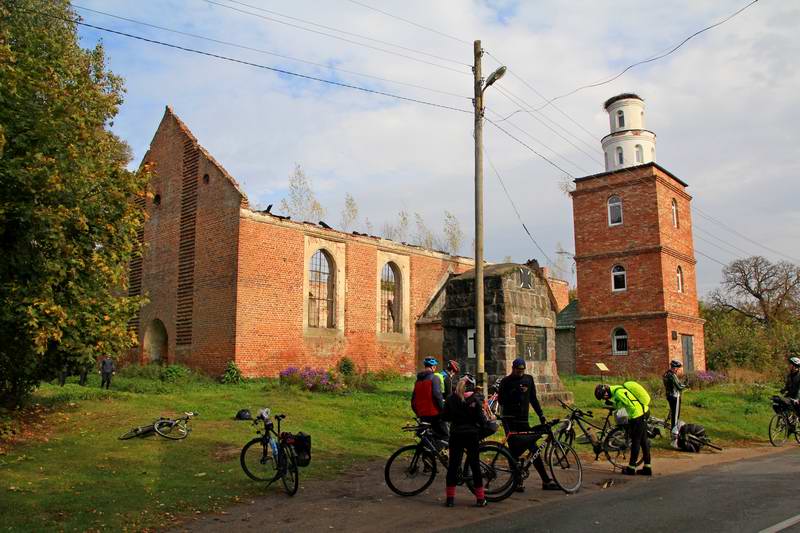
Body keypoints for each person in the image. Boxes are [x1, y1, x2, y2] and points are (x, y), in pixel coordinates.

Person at [498, 357, 559, 491]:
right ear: (513, 369)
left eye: (522, 370)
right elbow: (501, 400)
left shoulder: (528, 379)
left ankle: (546, 480)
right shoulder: (506, 381)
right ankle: (517, 482)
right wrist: (515, 392)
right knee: (513, 451)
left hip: (523, 420)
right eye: (517, 370)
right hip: (510, 420)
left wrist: (541, 415)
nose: (520, 372)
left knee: (533, 448)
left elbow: (533, 398)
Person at [441, 374, 487, 507]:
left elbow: (444, 417)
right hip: (472, 436)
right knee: (475, 466)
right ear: (472, 386)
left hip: (456, 435)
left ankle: (450, 499)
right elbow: (482, 420)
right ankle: (480, 498)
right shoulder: (474, 400)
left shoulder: (451, 399)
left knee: (453, 466)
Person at [595, 382, 652, 476]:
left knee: (636, 441)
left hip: (638, 415)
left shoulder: (618, 393)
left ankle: (631, 468)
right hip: (643, 412)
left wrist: (628, 421)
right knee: (643, 441)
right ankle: (647, 468)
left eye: (603, 397)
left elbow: (630, 405)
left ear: (605, 393)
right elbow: (622, 406)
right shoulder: (617, 391)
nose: (604, 399)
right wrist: (615, 406)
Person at [411, 357, 447, 442]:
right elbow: (437, 395)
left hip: (422, 414)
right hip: (434, 413)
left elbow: (413, 400)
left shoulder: (417, 381)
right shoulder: (435, 378)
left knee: (428, 436)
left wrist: (418, 413)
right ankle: (435, 454)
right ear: (433, 367)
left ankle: (428, 452)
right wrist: (443, 411)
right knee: (445, 435)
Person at [663, 360, 687, 431]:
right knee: (675, 416)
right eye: (678, 368)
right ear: (675, 368)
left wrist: (681, 384)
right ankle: (674, 432)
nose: (677, 370)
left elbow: (675, 384)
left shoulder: (666, 374)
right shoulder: (673, 375)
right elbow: (679, 387)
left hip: (668, 395)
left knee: (672, 413)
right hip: (675, 397)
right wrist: (686, 385)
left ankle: (672, 429)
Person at [781, 356, 800, 420]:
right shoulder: (789, 375)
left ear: (795, 366)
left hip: (796, 398)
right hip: (789, 396)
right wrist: (783, 390)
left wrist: (798, 399)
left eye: (790, 364)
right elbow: (787, 386)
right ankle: (787, 421)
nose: (789, 365)